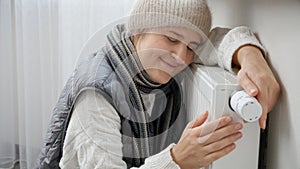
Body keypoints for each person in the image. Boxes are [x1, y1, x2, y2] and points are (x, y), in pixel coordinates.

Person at [35, 0, 280, 168]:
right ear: (139, 30)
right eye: (171, 38)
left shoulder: (141, 59)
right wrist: (177, 159)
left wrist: (249, 55)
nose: (181, 57)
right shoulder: (97, 96)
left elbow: (216, 39)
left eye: (191, 47)